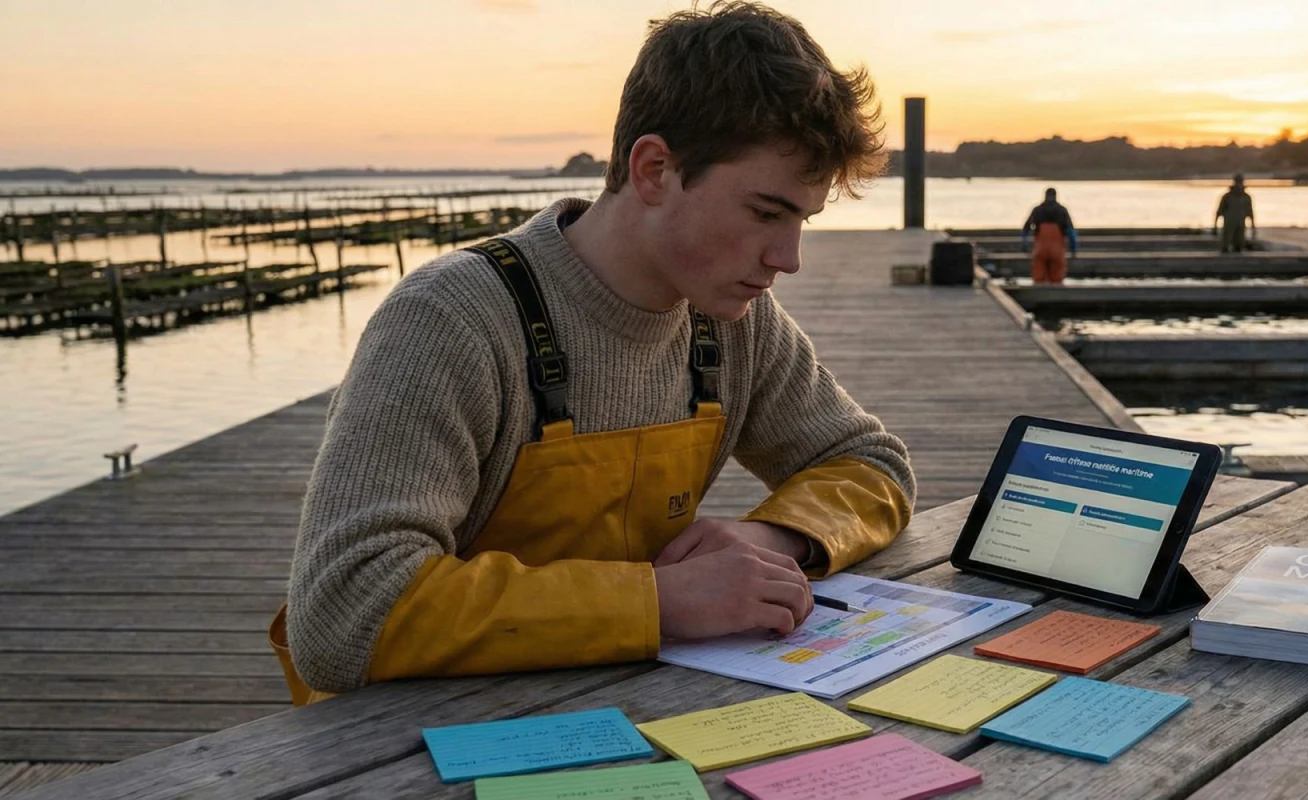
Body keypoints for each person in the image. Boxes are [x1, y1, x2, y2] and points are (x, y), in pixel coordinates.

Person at [269, 1, 915, 704]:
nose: (787, 258)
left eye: (801, 219)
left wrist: (774, 540)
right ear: (654, 169)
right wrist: (659, 602)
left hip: (621, 708)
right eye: (765, 213)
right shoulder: (450, 320)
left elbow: (871, 465)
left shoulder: (733, 322)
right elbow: (342, 613)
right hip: (407, 745)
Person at [1021, 188, 1077, 284]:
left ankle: (1038, 293)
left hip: (1040, 249)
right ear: (1056, 196)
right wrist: (1073, 249)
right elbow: (1070, 232)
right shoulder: (1062, 211)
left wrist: (1024, 245)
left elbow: (1026, 229)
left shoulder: (1037, 210)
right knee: (1057, 279)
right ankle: (1056, 294)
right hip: (1057, 250)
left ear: (1045, 196)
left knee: (1038, 278)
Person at [1213, 174, 1255, 253]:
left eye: (1240, 181)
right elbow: (1219, 211)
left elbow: (1250, 212)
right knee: (1225, 247)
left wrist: (1253, 227)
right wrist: (1215, 226)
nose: (1239, 184)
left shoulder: (1246, 197)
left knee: (1239, 246)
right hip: (1229, 225)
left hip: (1240, 225)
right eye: (1237, 181)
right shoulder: (1227, 197)